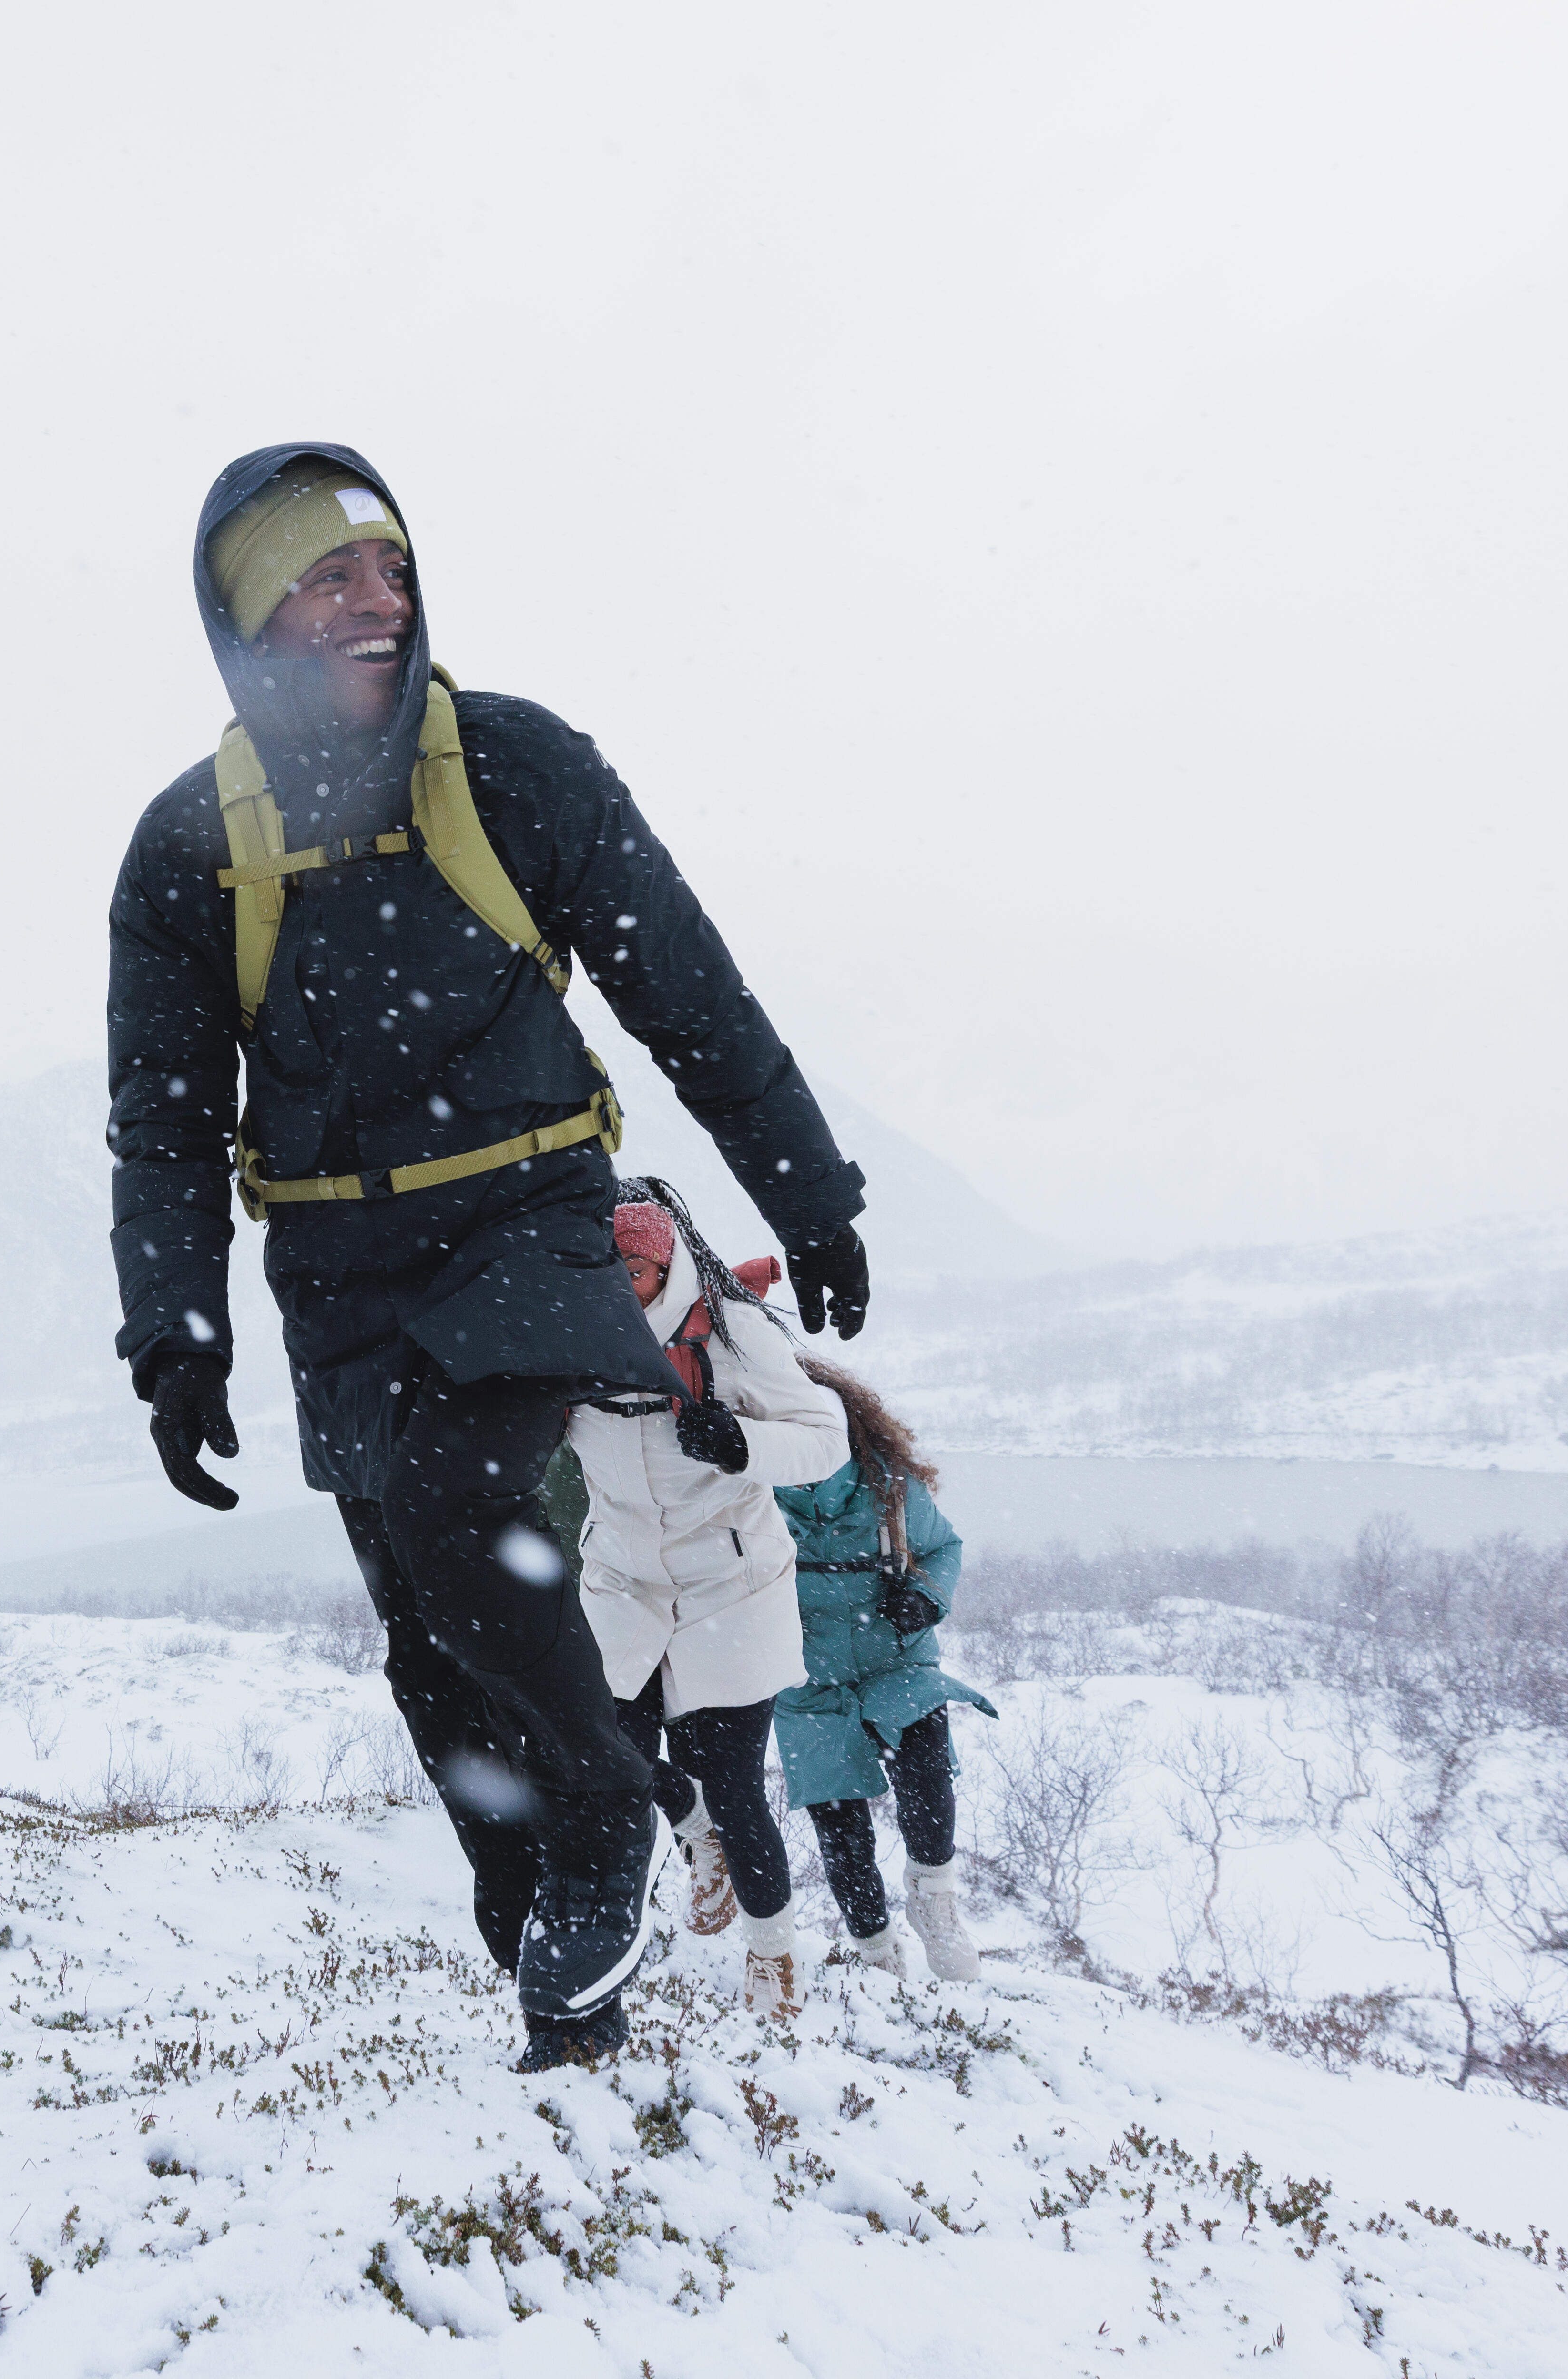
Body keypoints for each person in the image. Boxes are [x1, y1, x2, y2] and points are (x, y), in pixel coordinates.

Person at [105, 444, 872, 2071]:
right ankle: (550, 1971)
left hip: (531, 1211)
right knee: (422, 1640)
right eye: (328, 579)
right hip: (335, 1270)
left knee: (463, 1516)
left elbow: (689, 989)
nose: (377, 603)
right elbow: (166, 1123)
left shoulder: (513, 766)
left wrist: (805, 1191)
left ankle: (609, 1808)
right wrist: (176, 1335)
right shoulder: (189, 853)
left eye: (388, 571)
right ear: (247, 619)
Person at [562, 1183, 848, 2021]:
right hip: (622, 1579)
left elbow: (827, 1436)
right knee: (603, 1759)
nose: (627, 1284)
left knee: (732, 1777)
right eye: (611, 1265)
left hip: (731, 1583)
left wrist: (741, 1444)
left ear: (671, 1259)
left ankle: (773, 1954)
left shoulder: (731, 1330)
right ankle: (690, 1836)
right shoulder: (567, 1323)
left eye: (642, 1267)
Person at [773, 1361, 992, 1984]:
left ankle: (935, 1901)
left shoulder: (889, 1489)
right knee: (840, 1829)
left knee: (927, 1776)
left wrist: (926, 1596)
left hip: (897, 1660)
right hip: (806, 1679)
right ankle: (877, 1955)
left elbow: (942, 1549)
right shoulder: (748, 1499)